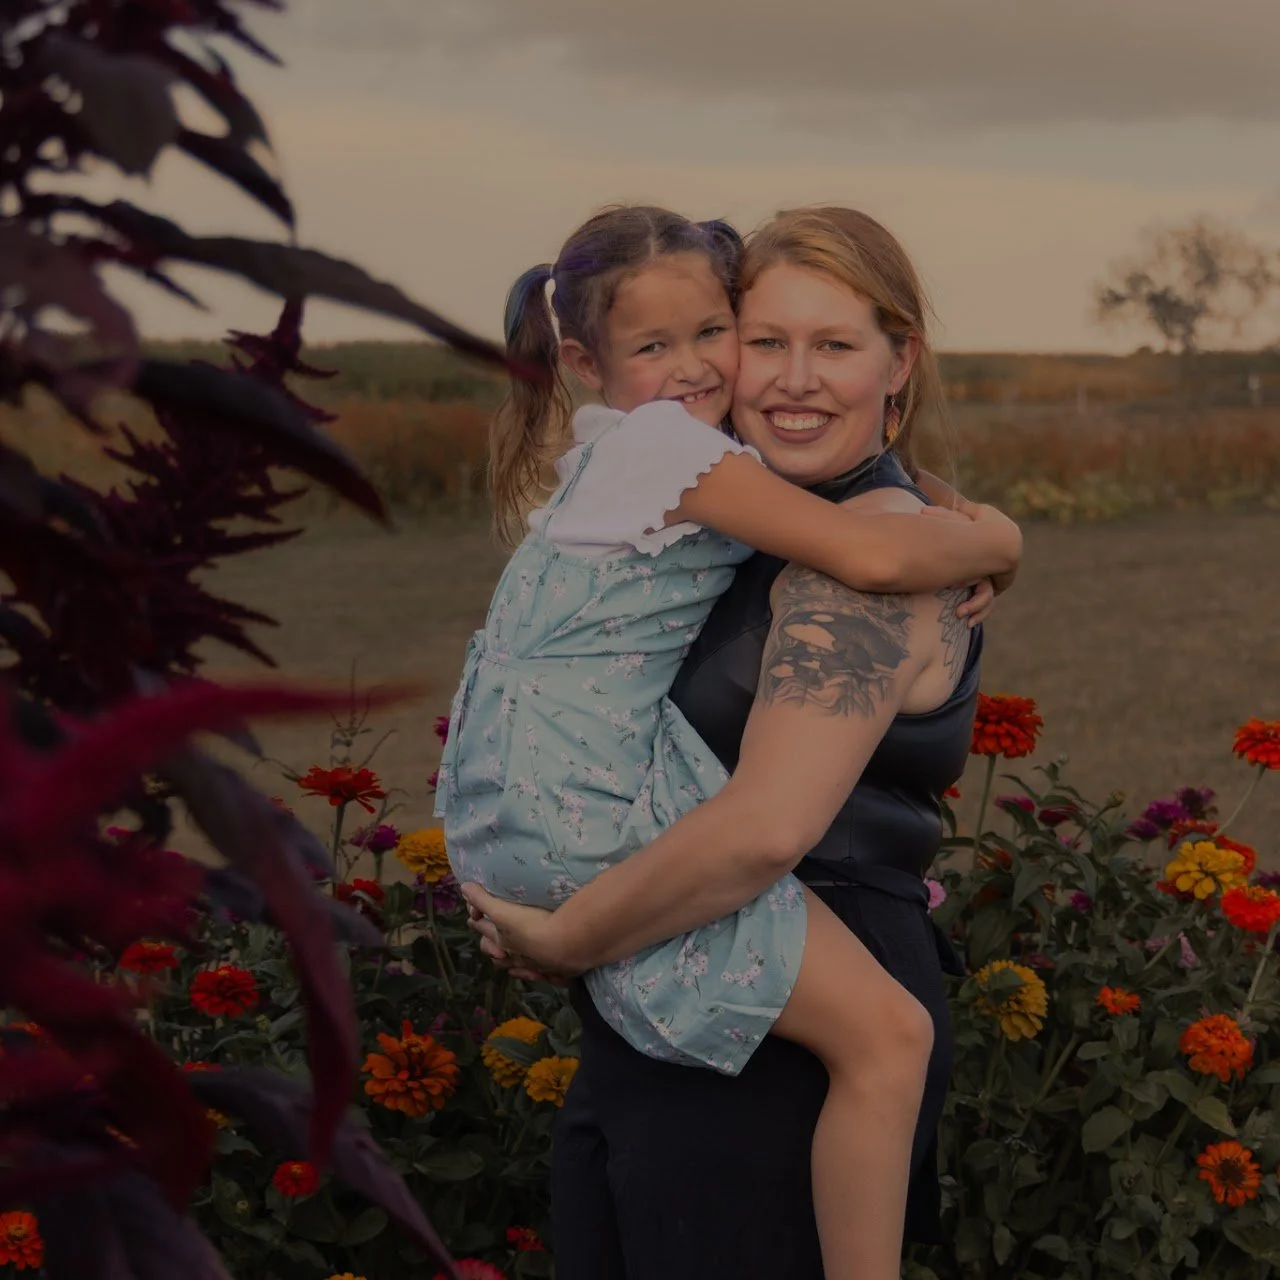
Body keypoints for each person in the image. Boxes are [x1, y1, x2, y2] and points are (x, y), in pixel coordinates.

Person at [437, 204, 1016, 1278]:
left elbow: (763, 827)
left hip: (778, 1049)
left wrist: (566, 937)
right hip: (671, 1007)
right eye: (764, 340)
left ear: (900, 363)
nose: (787, 377)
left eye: (834, 345)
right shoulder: (738, 499)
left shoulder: (865, 557)